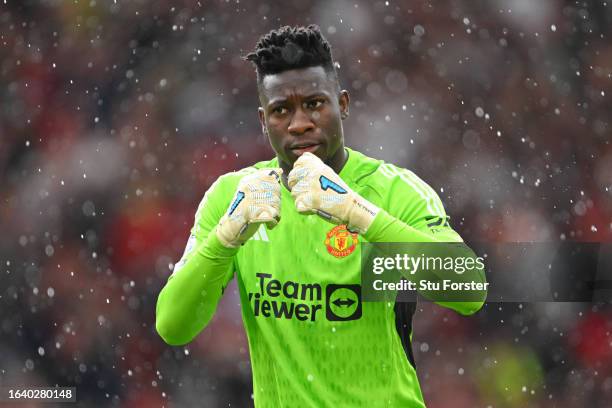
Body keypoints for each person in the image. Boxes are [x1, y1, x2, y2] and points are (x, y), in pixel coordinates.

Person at [156, 25, 487, 407]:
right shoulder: (236, 197)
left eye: (314, 103)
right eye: (282, 110)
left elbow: (470, 289)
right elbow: (172, 325)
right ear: (264, 121)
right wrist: (226, 237)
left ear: (342, 104)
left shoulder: (394, 191)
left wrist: (357, 214)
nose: (300, 123)